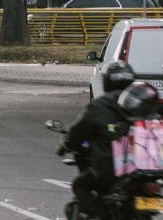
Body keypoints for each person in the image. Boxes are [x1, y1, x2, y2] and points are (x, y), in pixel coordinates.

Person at [62, 59, 137, 216]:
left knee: (79, 185)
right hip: (140, 169)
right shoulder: (140, 103)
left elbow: (79, 131)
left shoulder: (100, 105)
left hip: (110, 171)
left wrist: (66, 144)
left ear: (107, 82)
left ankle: (97, 214)